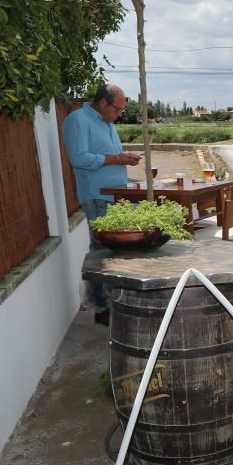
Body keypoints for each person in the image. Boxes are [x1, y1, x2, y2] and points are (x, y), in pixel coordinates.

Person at [62, 84, 141, 325]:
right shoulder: (77, 120)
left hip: (115, 195)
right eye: (118, 109)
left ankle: (115, 303)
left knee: (115, 250)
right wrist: (117, 159)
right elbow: (79, 158)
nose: (119, 115)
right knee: (102, 252)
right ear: (104, 103)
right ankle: (102, 308)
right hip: (97, 196)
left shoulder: (107, 123)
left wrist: (123, 158)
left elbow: (106, 155)